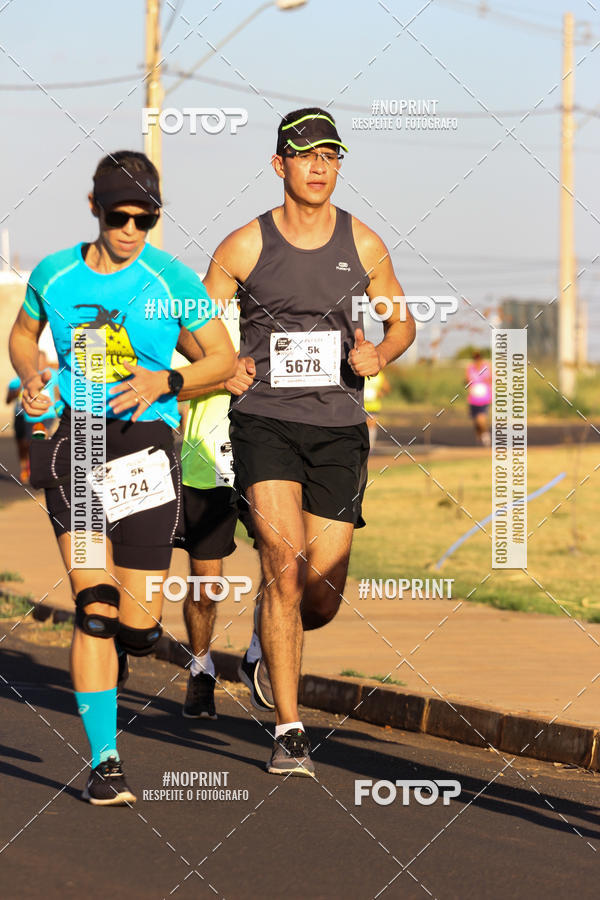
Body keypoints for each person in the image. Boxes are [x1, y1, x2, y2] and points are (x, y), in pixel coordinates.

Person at [8, 150, 236, 805]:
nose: (132, 228)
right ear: (95, 209)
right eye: (120, 215)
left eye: (146, 217)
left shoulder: (172, 280)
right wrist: (32, 375)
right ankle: (105, 760)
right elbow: (24, 335)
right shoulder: (54, 272)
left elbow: (220, 358)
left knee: (138, 623)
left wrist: (166, 379)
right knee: (96, 610)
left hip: (146, 450)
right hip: (76, 446)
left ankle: (123, 651)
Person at [203, 108, 415, 776]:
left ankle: (268, 646)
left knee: (319, 592)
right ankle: (290, 731)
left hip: (339, 431)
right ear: (279, 165)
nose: (320, 166)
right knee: (283, 563)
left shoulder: (366, 243)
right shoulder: (243, 245)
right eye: (306, 155)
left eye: (331, 155)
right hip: (265, 420)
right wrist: (224, 363)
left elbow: (402, 322)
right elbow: (199, 321)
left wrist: (381, 353)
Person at [174, 301, 252, 719]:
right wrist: (221, 371)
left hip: (274, 459)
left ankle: (258, 653)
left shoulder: (297, 314)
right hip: (209, 463)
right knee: (206, 585)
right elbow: (172, 384)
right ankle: (201, 668)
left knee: (290, 568)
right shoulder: (207, 316)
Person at [6, 352, 62, 482]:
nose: (42, 365)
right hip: (23, 414)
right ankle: (24, 467)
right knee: (23, 444)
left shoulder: (53, 375)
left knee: (40, 437)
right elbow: (8, 400)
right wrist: (17, 390)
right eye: (38, 361)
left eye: (44, 361)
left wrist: (59, 405)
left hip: (46, 413)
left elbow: (60, 391)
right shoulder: (22, 378)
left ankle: (38, 469)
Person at [465, 350, 492, 446]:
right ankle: (480, 435)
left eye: (478, 357)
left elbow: (492, 378)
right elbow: (466, 381)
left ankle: (485, 435)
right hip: (473, 398)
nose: (477, 360)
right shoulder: (470, 368)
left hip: (484, 397)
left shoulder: (487, 367)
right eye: (475, 358)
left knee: (482, 418)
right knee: (476, 420)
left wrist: (487, 380)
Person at [363, 370, 391, 451]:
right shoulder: (360, 373)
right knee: (361, 426)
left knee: (371, 426)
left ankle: (369, 449)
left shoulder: (380, 376)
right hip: (359, 405)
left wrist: (379, 393)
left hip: (373, 406)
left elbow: (387, 389)